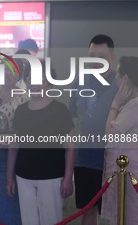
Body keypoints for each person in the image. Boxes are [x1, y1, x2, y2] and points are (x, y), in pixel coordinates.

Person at [7, 62, 75, 225]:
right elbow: (14, 146)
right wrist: (9, 177)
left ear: (49, 82)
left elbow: (70, 147)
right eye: (30, 79)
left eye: (40, 79)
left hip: (52, 176)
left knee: (51, 220)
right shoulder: (21, 110)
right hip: (24, 175)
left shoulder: (60, 109)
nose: (34, 84)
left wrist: (68, 178)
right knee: (28, 221)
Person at [69, 34, 118, 225]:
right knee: (88, 211)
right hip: (85, 160)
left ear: (112, 57)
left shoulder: (122, 83)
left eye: (102, 57)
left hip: (113, 160)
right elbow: (72, 121)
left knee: (116, 212)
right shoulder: (79, 82)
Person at [0, 59, 29, 225]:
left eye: (13, 71)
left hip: (16, 154)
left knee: (9, 202)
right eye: (5, 70)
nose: (9, 74)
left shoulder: (25, 97)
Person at [102, 56, 138, 225]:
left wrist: (114, 104)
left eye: (117, 74)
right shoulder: (131, 102)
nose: (114, 78)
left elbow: (110, 133)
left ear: (125, 79)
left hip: (128, 168)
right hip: (125, 166)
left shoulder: (135, 104)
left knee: (128, 212)